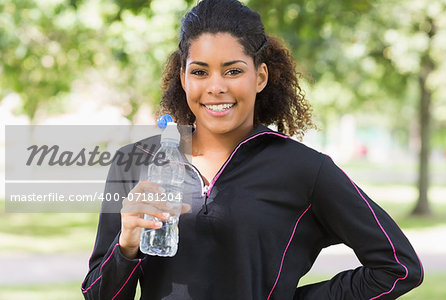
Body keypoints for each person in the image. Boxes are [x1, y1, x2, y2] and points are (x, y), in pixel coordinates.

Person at [81, 0, 423, 299]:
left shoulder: (303, 169)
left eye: (233, 71)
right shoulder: (134, 163)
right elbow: (99, 296)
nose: (215, 87)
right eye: (200, 72)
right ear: (184, 79)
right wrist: (126, 245)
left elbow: (398, 267)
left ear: (260, 77)